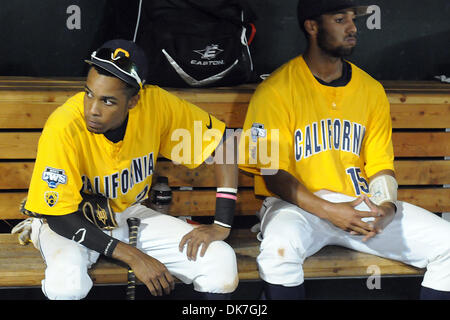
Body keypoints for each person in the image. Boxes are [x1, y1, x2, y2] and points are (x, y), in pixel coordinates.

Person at [238, 0, 450, 300]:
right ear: (312, 26)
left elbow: (380, 164)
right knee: (279, 250)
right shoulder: (275, 91)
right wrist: (328, 211)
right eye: (340, 19)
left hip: (358, 205)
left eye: (353, 19)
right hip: (298, 207)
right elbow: (273, 174)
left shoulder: (370, 89)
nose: (352, 28)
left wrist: (386, 206)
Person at [18, 39, 239, 300]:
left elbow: (224, 143)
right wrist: (133, 255)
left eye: (108, 101)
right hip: (72, 221)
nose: (93, 110)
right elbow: (57, 215)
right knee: (67, 285)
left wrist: (221, 225)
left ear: (134, 100)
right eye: (89, 93)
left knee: (220, 262)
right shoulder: (64, 125)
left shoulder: (155, 105)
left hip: (128, 213)